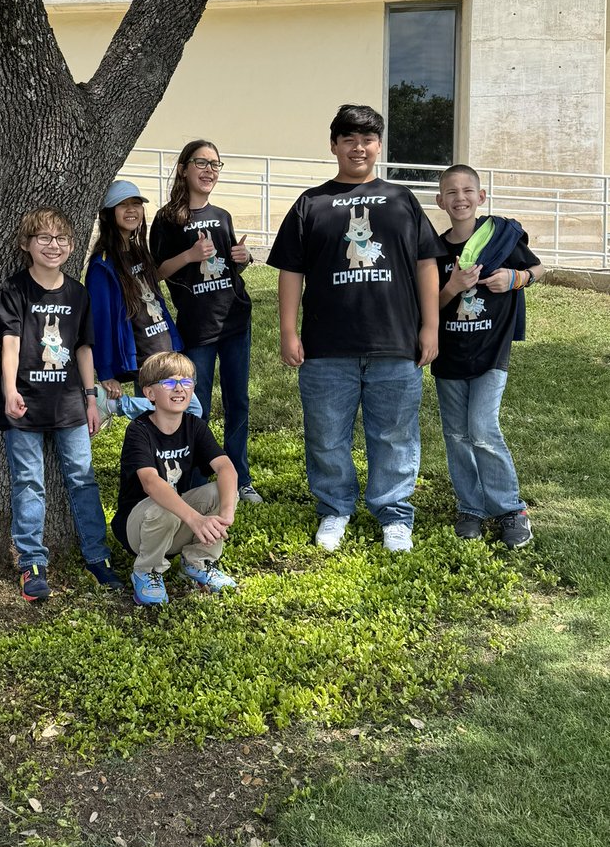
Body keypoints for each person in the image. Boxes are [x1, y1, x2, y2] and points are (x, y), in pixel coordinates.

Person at [268, 103, 442, 553]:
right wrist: (289, 331)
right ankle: (334, 509)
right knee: (326, 435)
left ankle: (395, 514)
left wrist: (431, 327)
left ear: (378, 146)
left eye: (367, 139)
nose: (358, 147)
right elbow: (290, 270)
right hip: (327, 347)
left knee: (395, 435)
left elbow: (426, 263)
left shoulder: (402, 199)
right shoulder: (311, 203)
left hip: (395, 343)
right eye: (349, 139)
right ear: (334, 146)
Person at [0, 207, 124, 601]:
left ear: (72, 246)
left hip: (69, 405)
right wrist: (10, 390)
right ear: (26, 245)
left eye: (61, 239)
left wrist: (90, 399)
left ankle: (97, 556)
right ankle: (32, 562)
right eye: (44, 238)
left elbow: (84, 350)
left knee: (82, 479)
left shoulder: (78, 293)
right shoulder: (15, 291)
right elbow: (10, 345)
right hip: (25, 405)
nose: (54, 246)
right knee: (29, 484)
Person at [432, 164, 543, 549]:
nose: (459, 198)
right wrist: (452, 286)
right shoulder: (434, 248)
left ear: (480, 197)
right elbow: (427, 304)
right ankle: (471, 508)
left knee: (482, 428)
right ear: (440, 200)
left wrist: (514, 279)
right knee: (457, 435)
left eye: (467, 191)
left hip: (491, 352)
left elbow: (537, 269)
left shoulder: (500, 237)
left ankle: (511, 509)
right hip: (448, 357)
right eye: (451, 192)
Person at [149, 141, 262, 502]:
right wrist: (190, 254)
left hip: (234, 321)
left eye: (216, 164)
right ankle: (197, 482)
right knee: (196, 406)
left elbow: (228, 266)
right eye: (202, 162)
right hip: (196, 326)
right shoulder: (168, 219)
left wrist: (241, 258)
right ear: (183, 168)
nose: (209, 170)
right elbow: (158, 272)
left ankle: (240, 478)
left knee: (237, 402)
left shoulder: (223, 215)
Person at [113, 352, 238, 606]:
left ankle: (198, 562)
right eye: (169, 383)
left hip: (174, 521)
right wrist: (195, 519)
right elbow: (151, 482)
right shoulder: (139, 430)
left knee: (223, 492)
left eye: (186, 382)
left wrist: (226, 515)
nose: (179, 388)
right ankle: (147, 572)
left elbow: (226, 468)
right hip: (137, 528)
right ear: (149, 393)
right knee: (164, 503)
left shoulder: (195, 426)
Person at [85, 179, 201, 422]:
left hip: (163, 344)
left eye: (136, 204)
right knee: (191, 409)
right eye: (123, 205)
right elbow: (101, 320)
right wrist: (105, 371)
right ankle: (115, 406)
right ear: (108, 214)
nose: (131, 210)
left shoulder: (139, 250)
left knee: (161, 422)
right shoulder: (103, 265)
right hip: (142, 353)